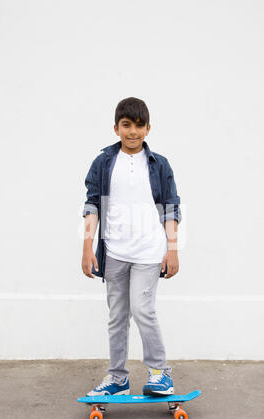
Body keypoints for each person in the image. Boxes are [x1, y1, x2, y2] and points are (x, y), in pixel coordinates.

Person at [81, 97, 182, 396]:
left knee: (143, 310)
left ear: (148, 128)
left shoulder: (159, 164)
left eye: (139, 126)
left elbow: (171, 207)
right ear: (116, 128)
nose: (133, 132)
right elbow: (92, 204)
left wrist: (172, 249)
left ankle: (159, 373)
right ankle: (117, 378)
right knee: (116, 317)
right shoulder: (103, 163)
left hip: (149, 252)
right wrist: (87, 247)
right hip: (114, 253)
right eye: (127, 125)